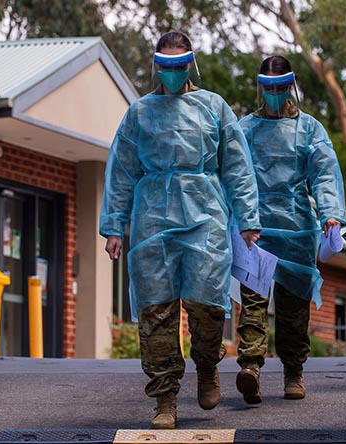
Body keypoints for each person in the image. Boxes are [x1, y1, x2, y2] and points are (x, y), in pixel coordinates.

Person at [99, 31, 261, 430]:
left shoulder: (213, 107)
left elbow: (237, 166)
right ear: (157, 65)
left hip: (204, 214)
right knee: (156, 311)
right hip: (153, 216)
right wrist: (115, 226)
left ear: (190, 63)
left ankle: (207, 365)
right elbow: (121, 171)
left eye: (178, 64)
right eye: (164, 65)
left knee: (207, 305)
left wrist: (248, 220)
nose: (171, 72)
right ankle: (165, 398)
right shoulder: (139, 113)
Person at [234, 56, 346, 404]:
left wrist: (330, 213)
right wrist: (242, 218)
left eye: (280, 88)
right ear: (260, 87)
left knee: (293, 308)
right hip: (257, 230)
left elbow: (325, 172)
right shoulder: (246, 129)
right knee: (253, 303)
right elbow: (236, 176)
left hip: (297, 229)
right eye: (267, 88)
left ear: (290, 86)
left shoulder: (309, 129)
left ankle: (293, 371)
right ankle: (250, 367)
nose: (273, 94)